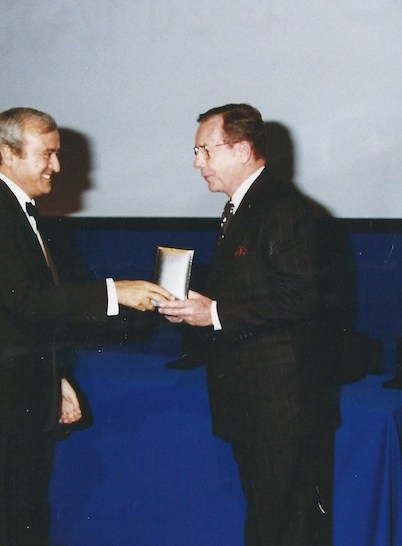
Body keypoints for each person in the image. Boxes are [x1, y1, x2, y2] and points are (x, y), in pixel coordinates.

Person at [0, 107, 173, 546]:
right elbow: (27, 300)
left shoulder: (16, 210)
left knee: (23, 517)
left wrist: (56, 376)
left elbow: (23, 317)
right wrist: (115, 291)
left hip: (18, 396)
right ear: (9, 153)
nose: (58, 166)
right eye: (47, 154)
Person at [158, 104, 326, 546]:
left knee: (282, 526)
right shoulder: (247, 205)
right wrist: (200, 308)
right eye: (196, 152)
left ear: (242, 149)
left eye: (204, 150)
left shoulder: (280, 207)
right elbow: (256, 291)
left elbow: (301, 297)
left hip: (279, 406)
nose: (197, 163)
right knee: (271, 522)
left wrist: (214, 314)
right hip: (256, 401)